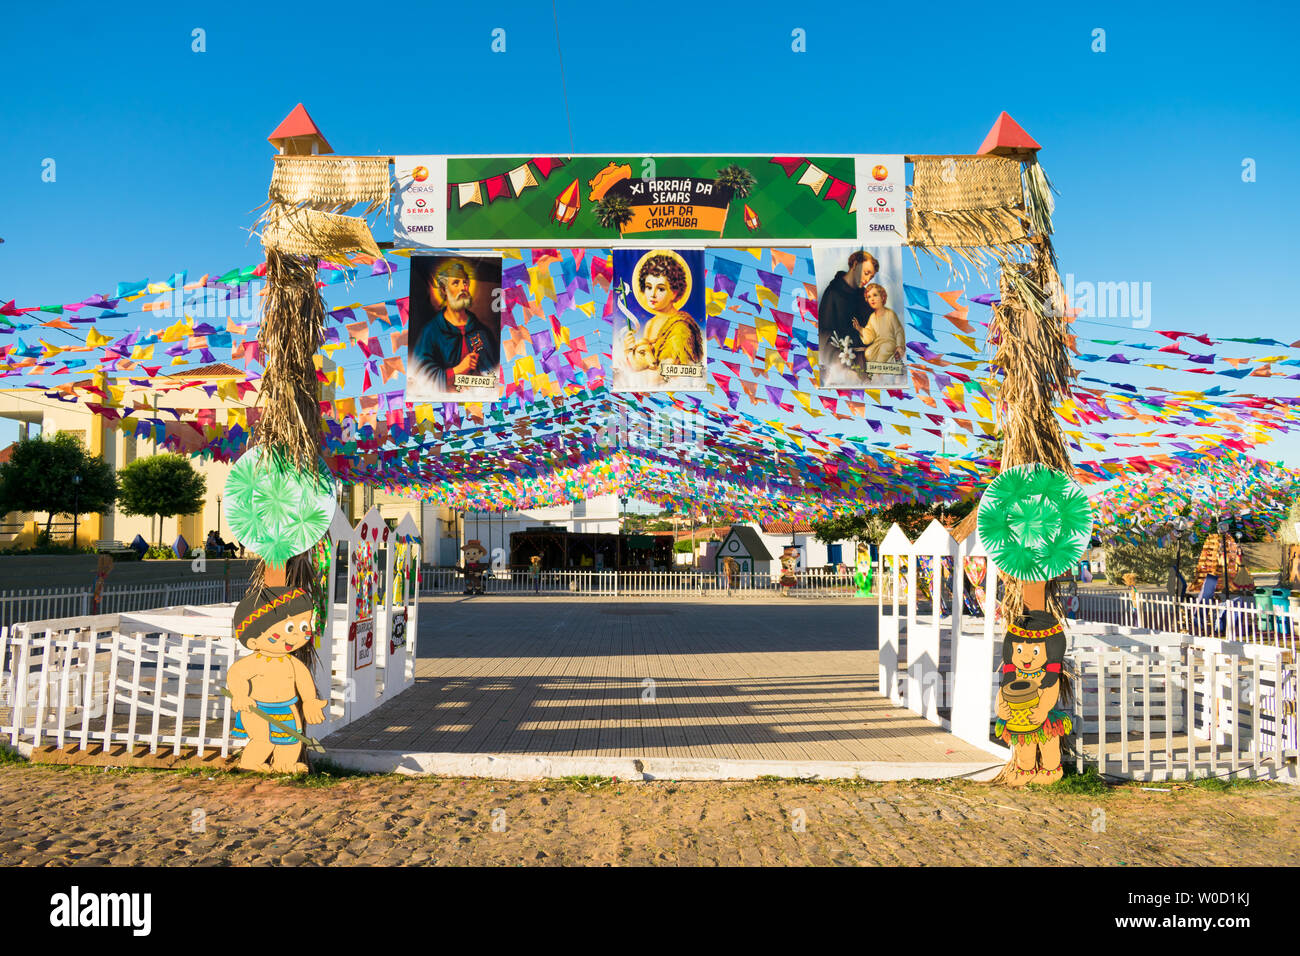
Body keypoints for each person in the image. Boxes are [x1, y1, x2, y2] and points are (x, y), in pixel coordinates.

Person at [409, 259, 500, 396]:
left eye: (465, 282)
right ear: (443, 290)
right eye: (456, 283)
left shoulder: (481, 331)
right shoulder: (431, 332)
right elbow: (421, 377)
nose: (463, 287)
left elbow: (496, 376)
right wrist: (458, 369)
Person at [618, 254, 704, 384]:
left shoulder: (681, 328)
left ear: (674, 292)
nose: (652, 294)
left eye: (661, 289)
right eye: (648, 287)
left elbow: (666, 372)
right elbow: (645, 364)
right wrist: (630, 349)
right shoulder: (650, 324)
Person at [817, 250, 876, 360]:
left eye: (871, 277)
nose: (867, 280)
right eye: (866, 273)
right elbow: (824, 334)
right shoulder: (833, 292)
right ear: (855, 265)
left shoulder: (866, 297)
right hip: (841, 361)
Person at [854, 283, 905, 365]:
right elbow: (870, 335)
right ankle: (875, 372)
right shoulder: (872, 317)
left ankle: (878, 372)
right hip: (878, 343)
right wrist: (860, 329)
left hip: (890, 342)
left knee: (884, 349)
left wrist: (899, 346)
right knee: (868, 353)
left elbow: (898, 330)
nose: (872, 299)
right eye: (869, 297)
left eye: (875, 295)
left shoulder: (890, 314)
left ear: (883, 297)